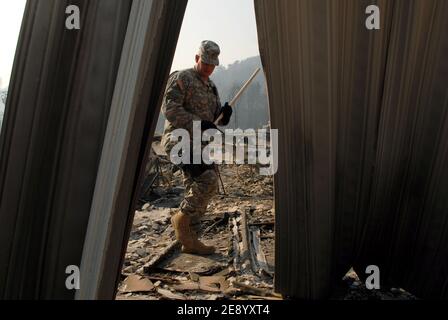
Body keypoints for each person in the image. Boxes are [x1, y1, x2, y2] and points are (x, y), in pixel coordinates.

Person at [161, 40, 233, 255]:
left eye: (212, 65)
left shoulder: (211, 87)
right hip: (179, 140)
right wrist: (197, 123)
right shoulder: (182, 78)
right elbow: (169, 108)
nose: (209, 68)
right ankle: (181, 221)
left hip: (199, 145)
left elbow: (213, 120)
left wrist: (224, 116)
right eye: (205, 63)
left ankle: (189, 240)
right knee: (207, 179)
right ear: (197, 58)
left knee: (199, 187)